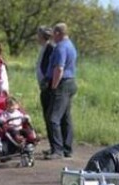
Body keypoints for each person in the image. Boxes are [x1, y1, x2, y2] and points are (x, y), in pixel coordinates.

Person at [43, 22, 77, 160]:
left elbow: (59, 68)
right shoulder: (70, 45)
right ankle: (67, 148)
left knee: (53, 117)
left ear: (58, 33)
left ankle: (57, 150)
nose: (53, 38)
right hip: (70, 83)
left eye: (54, 34)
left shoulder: (61, 48)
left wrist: (53, 86)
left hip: (62, 84)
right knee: (65, 117)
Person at [35, 26, 55, 148]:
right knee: (47, 115)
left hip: (48, 87)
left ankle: (54, 145)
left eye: (38, 35)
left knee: (50, 116)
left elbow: (51, 68)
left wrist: (46, 82)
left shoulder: (50, 48)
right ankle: (52, 145)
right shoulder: (44, 48)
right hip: (43, 86)